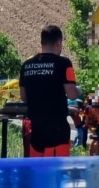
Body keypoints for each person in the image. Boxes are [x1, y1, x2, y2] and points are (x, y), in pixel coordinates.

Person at [19, 25, 81, 157]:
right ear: (58, 43)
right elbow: (71, 94)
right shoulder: (63, 63)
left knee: (38, 173)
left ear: (42, 42)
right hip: (57, 132)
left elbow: (23, 96)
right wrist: (79, 91)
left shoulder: (26, 65)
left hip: (35, 132)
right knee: (57, 173)